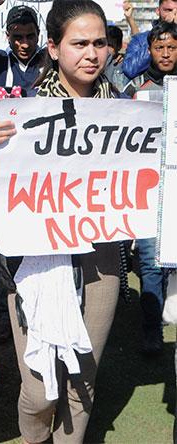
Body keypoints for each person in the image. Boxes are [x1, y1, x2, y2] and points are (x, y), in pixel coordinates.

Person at [0, 1, 123, 441]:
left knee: (82, 383)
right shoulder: (23, 114)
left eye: (99, 42)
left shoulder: (126, 112)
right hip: (35, 261)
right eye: (79, 43)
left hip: (102, 259)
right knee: (41, 390)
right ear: (54, 47)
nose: (92, 53)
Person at [129, 21, 177, 354]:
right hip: (149, 193)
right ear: (149, 50)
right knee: (148, 262)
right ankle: (151, 331)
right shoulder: (137, 92)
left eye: (172, 47)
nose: (165, 53)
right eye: (159, 47)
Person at [122, 0, 177, 80]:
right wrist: (156, 40)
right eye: (168, 10)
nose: (173, 15)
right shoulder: (141, 40)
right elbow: (130, 69)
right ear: (158, 11)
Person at [104, 25, 133, 93]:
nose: (106, 50)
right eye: (102, 44)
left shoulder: (124, 65)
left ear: (119, 46)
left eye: (110, 46)